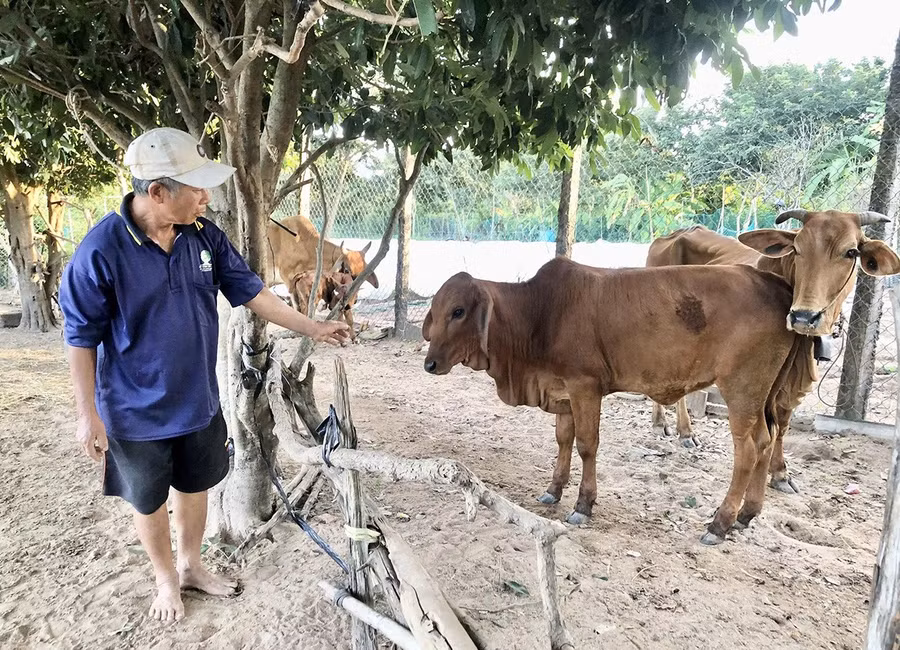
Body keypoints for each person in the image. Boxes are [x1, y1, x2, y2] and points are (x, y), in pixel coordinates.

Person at [58, 127, 350, 623]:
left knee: (195, 487)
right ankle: (165, 577)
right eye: (196, 189)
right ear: (157, 192)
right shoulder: (99, 252)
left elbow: (253, 293)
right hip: (134, 412)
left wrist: (313, 326)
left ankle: (191, 566)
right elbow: (81, 339)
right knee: (148, 500)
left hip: (198, 400)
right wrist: (88, 415)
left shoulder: (203, 237)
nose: (206, 198)